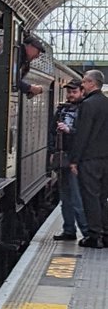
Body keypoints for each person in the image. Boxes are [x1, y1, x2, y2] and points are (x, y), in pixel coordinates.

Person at [69, 69, 108, 248]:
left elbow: (82, 135)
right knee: (102, 197)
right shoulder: (106, 103)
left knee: (90, 197)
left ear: (92, 83)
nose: (82, 85)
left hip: (90, 159)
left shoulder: (88, 104)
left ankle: (94, 235)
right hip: (105, 159)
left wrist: (74, 160)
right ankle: (106, 233)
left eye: (84, 82)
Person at [51, 79, 87, 239]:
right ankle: (69, 230)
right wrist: (52, 151)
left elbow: (85, 134)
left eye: (74, 92)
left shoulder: (85, 109)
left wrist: (69, 130)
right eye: (69, 92)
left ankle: (86, 231)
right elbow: (51, 131)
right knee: (65, 196)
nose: (71, 95)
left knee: (77, 196)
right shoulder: (61, 110)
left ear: (82, 92)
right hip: (62, 156)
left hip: (77, 158)